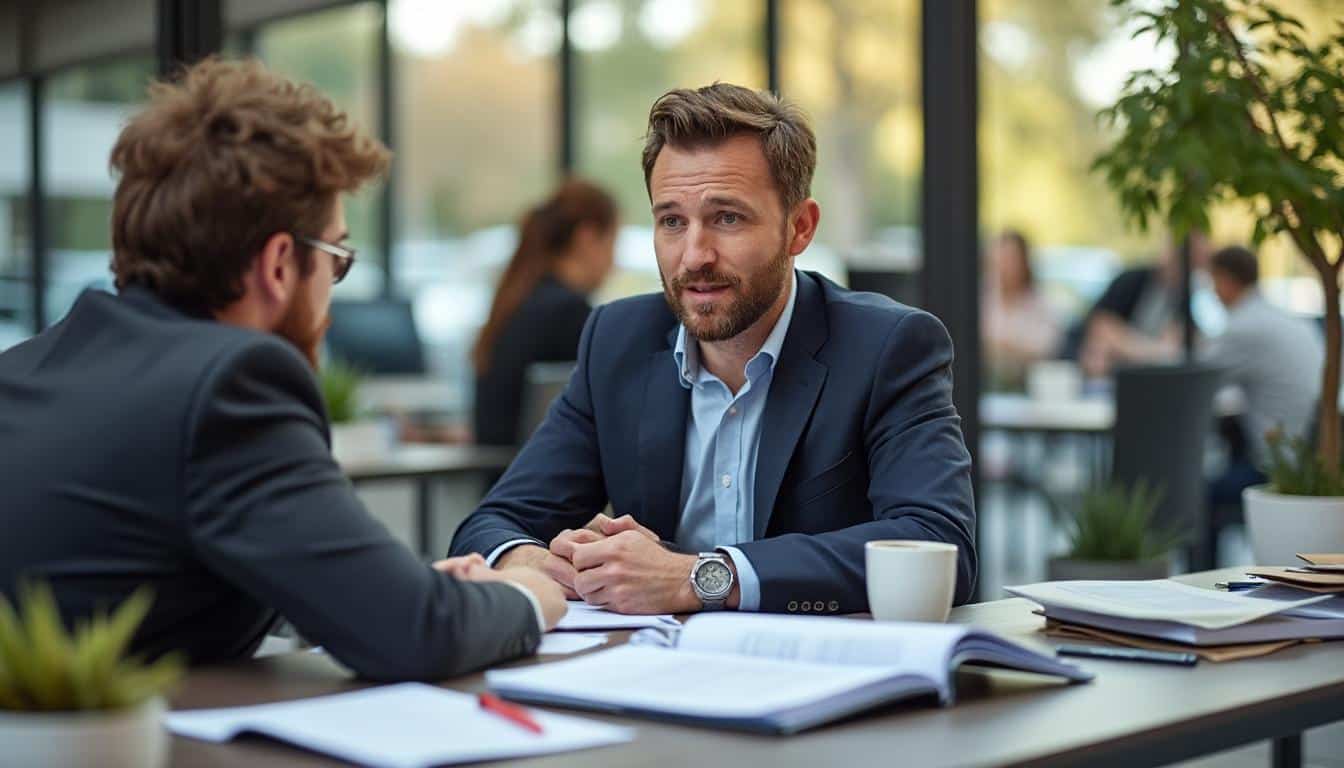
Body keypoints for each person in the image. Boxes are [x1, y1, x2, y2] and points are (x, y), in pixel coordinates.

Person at [0, 58, 565, 679]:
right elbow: (417, 634)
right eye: (336, 258)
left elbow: (149, 576)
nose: (331, 291)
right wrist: (525, 597)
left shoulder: (28, 368)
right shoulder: (230, 383)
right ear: (277, 264)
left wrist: (387, 591)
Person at [451, 83, 976, 615]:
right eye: (672, 221)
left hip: (825, 679)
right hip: (654, 677)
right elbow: (493, 523)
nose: (695, 255)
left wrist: (699, 576)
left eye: (727, 218)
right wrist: (533, 560)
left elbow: (939, 544)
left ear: (800, 227)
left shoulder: (888, 347)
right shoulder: (617, 341)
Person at [473, 179, 617, 447]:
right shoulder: (569, 313)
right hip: (539, 478)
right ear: (587, 238)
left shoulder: (520, 299)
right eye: (611, 243)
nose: (614, 262)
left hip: (506, 478)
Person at [1204, 244, 1324, 502]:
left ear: (1226, 280)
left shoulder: (1245, 326)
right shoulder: (1284, 318)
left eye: (1213, 281)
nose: (1212, 292)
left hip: (1278, 466)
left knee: (1200, 492)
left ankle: (1198, 543)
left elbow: (1198, 379)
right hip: (1309, 455)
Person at [1079, 232, 1211, 377]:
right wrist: (1152, 350)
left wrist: (1130, 345)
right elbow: (1102, 327)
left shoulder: (1183, 297)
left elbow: (1179, 343)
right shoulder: (1131, 281)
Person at [981, 229, 1061, 388]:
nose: (1003, 266)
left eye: (1010, 259)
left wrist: (1000, 344)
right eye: (999, 259)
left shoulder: (1040, 302)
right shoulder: (982, 297)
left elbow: (1047, 347)